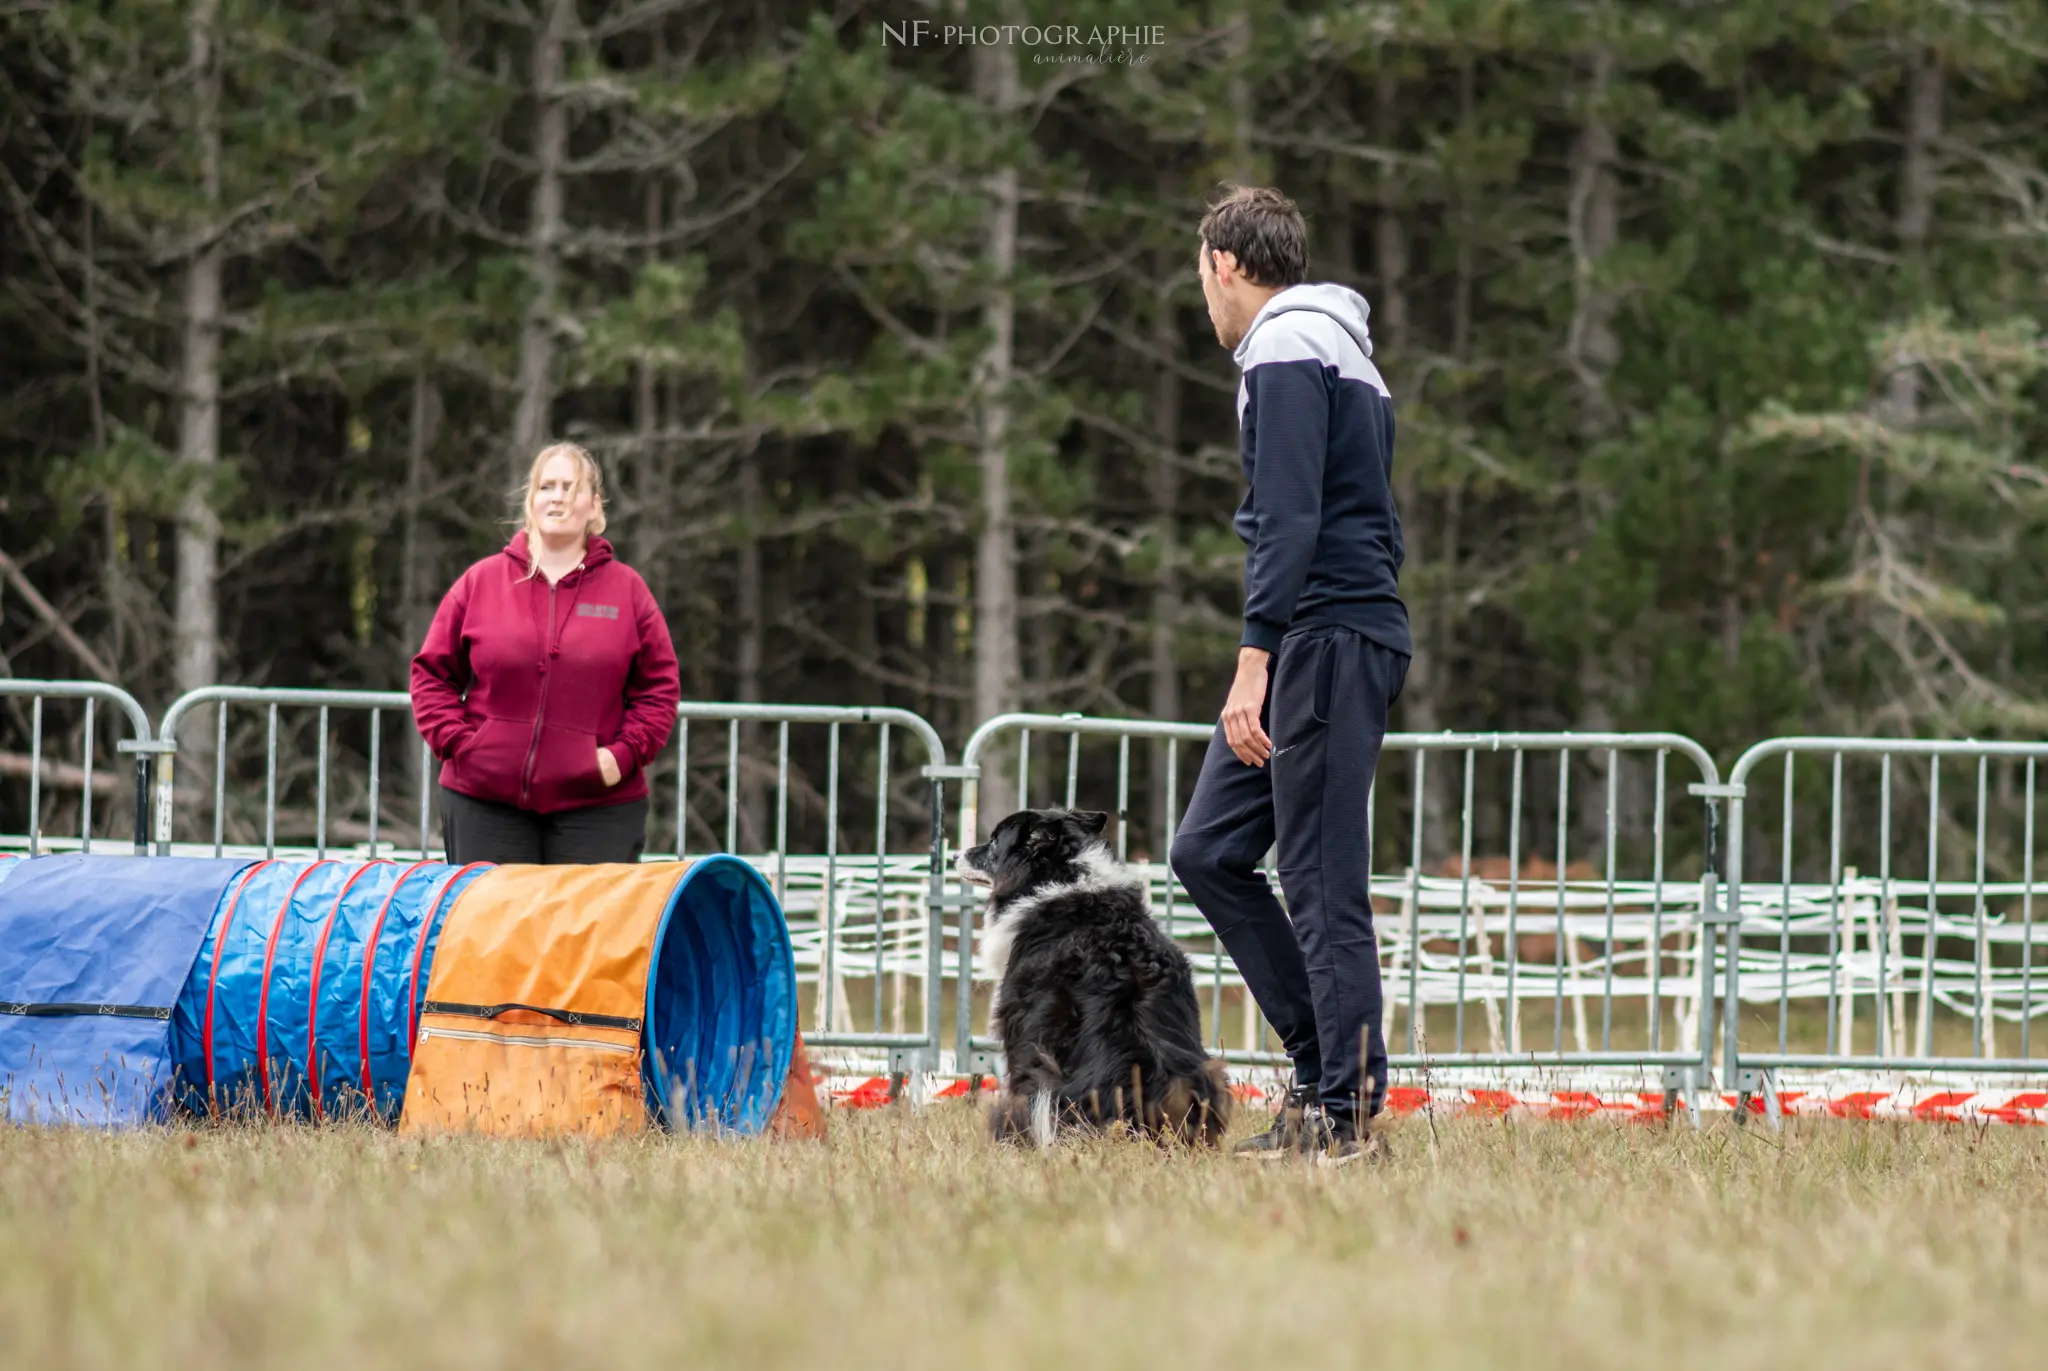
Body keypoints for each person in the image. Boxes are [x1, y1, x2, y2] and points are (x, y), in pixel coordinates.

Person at [1168, 186, 1411, 1168]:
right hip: (1329, 630)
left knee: (1318, 885)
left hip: (1321, 636)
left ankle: (1343, 1118)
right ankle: (1320, 1079)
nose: (1202, 294)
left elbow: (1289, 519)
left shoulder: (1280, 346)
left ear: (1224, 263)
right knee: (1209, 850)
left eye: (1199, 273)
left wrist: (1252, 660)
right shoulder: (1333, 342)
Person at [410, 442, 681, 865]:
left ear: (594, 505)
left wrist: (620, 756)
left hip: (598, 808)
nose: (557, 497)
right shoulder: (480, 582)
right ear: (530, 501)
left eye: (570, 487)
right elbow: (431, 676)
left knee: (585, 933)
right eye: (546, 486)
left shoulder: (628, 591)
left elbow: (659, 690)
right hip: (485, 802)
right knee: (494, 931)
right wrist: (464, 746)